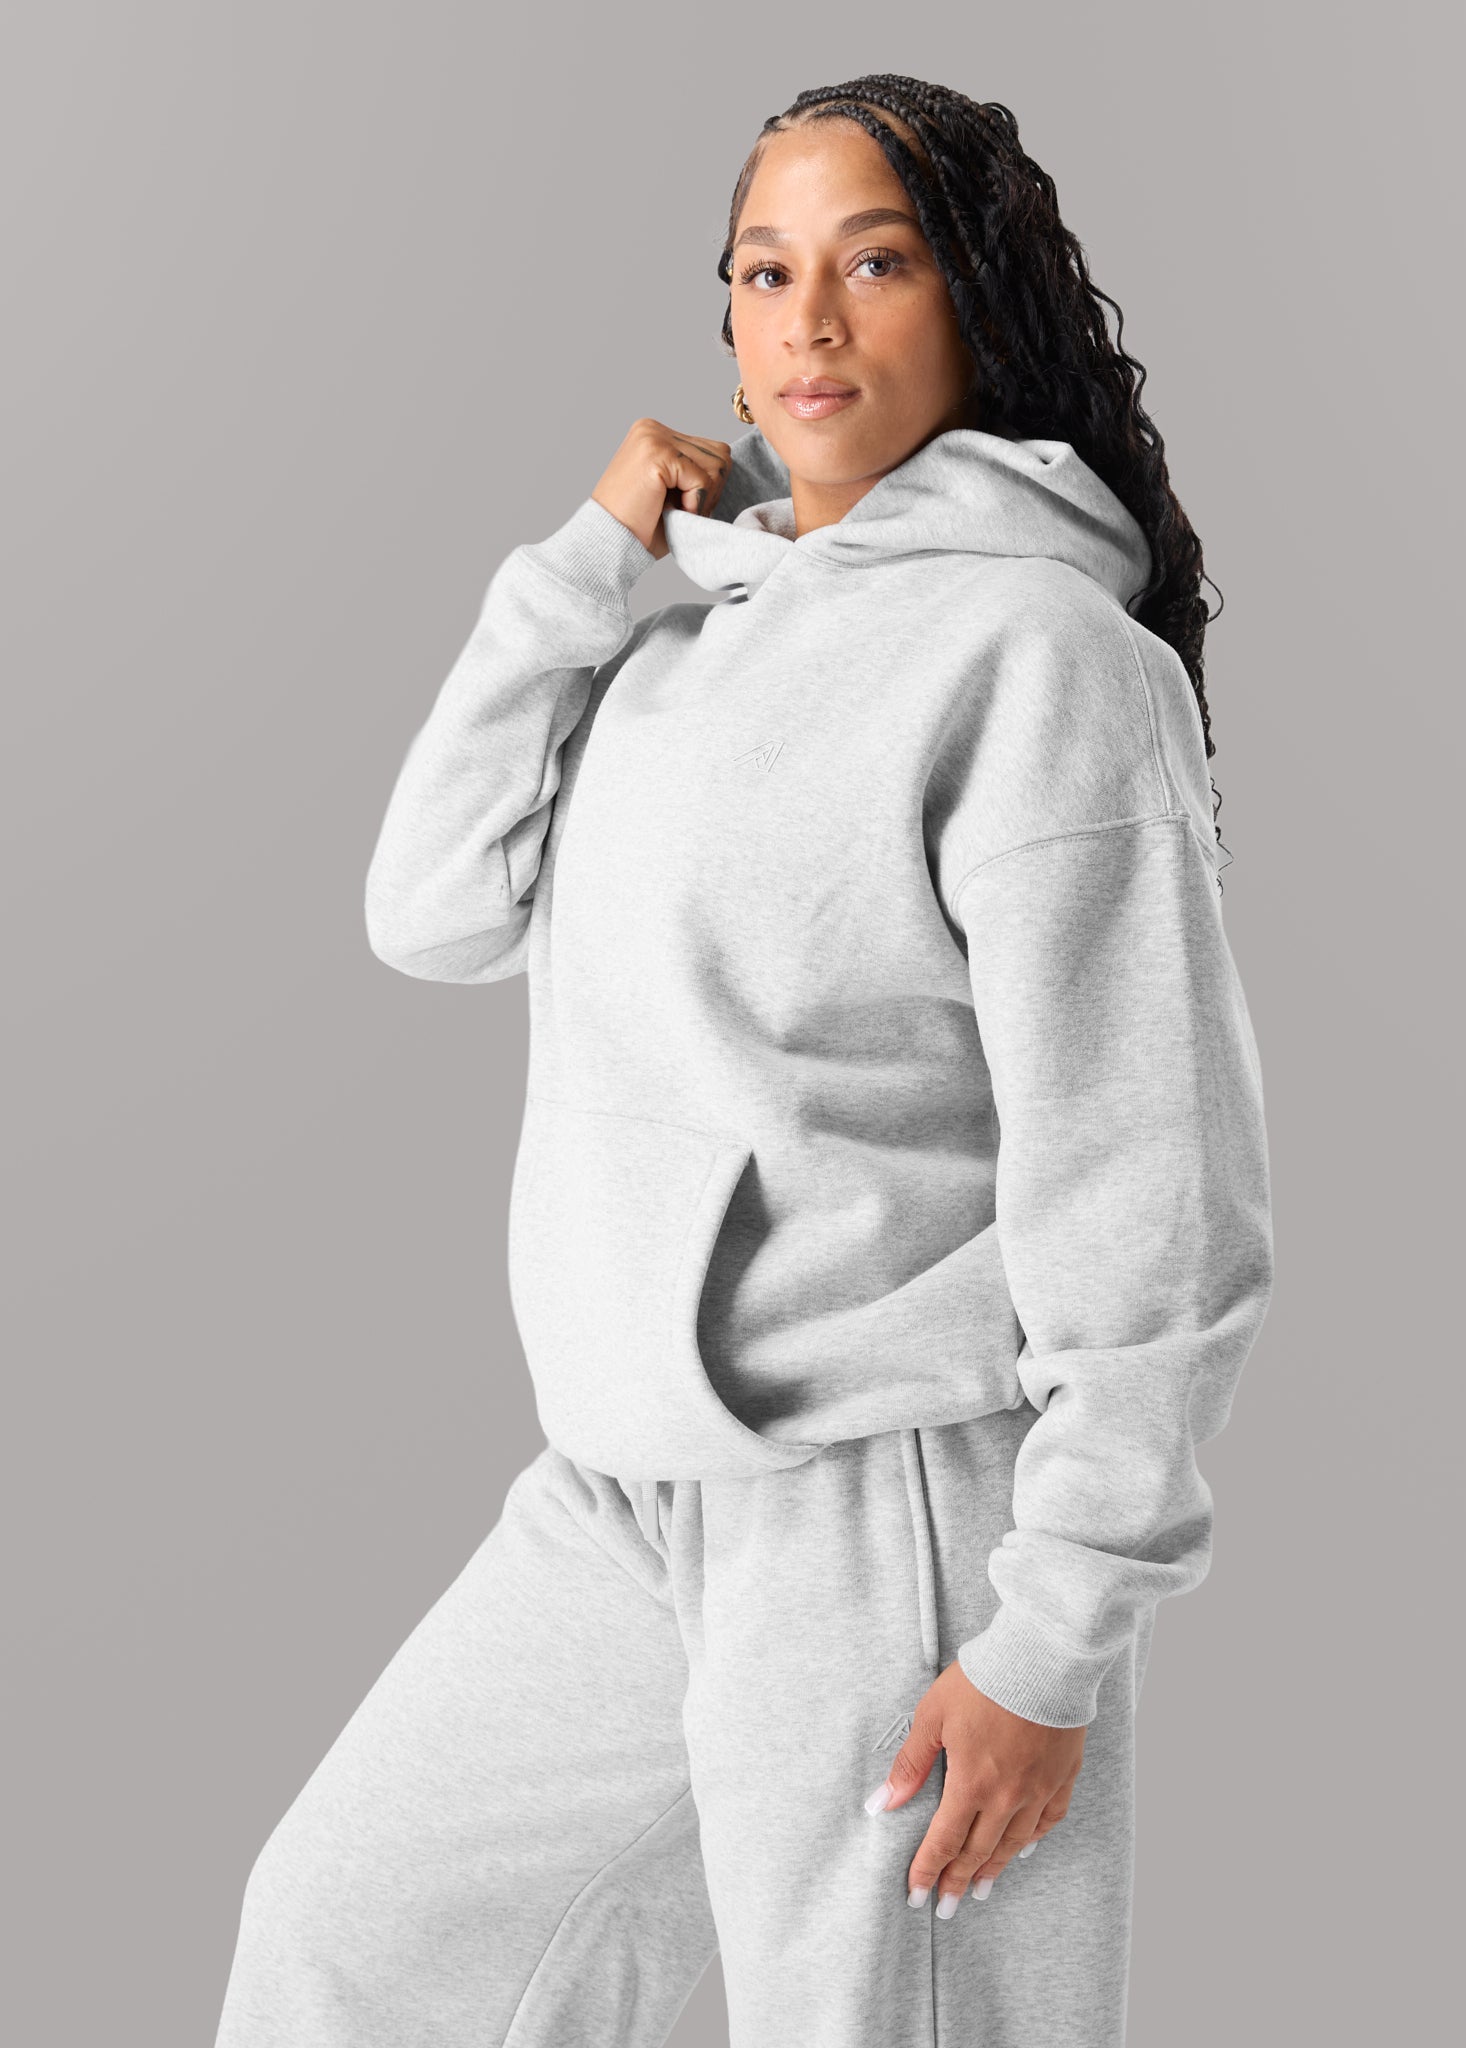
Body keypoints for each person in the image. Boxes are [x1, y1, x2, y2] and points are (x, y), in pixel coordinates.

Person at [213, 72, 1275, 2048]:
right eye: (765, 271)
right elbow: (431, 905)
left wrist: (1051, 1635)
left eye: (876, 263)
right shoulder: (675, 641)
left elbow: (1151, 1178)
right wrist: (579, 570)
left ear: (977, 303)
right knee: (352, 1940)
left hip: (892, 1507)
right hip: (623, 1492)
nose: (811, 321)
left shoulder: (1047, 664)